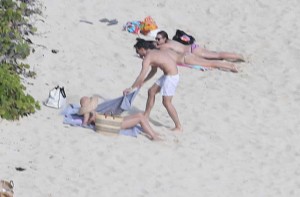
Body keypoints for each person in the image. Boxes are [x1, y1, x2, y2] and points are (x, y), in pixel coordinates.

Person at [123, 38, 183, 132]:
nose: (139, 55)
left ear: (142, 49)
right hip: (167, 75)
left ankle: (178, 126)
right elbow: (153, 71)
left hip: (171, 77)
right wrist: (143, 82)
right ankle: (146, 116)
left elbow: (142, 74)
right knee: (151, 91)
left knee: (166, 102)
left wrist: (131, 88)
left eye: (138, 52)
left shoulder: (148, 57)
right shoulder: (154, 53)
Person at [78, 95, 161, 141]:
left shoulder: (92, 111)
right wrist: (91, 119)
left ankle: (153, 132)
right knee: (140, 119)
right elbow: (85, 124)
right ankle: (154, 136)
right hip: (112, 124)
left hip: (112, 120)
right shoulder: (87, 113)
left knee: (140, 115)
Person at [156, 30, 245, 67]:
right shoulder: (171, 41)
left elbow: (156, 50)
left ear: (164, 39)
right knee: (217, 54)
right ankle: (240, 56)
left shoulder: (164, 45)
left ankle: (231, 65)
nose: (157, 41)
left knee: (213, 60)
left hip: (192, 51)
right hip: (193, 47)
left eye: (158, 39)